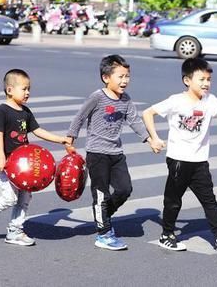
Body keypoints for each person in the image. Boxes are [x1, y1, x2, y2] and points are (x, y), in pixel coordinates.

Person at [142, 58, 217, 254]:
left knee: (209, 201)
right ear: (187, 80)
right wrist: (154, 138)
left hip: (199, 162)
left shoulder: (210, 101)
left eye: (208, 79)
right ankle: (167, 234)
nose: (206, 83)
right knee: (173, 200)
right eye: (202, 79)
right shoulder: (176, 101)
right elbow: (148, 113)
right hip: (179, 160)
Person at [0, 69, 72, 246]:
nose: (28, 93)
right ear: (10, 90)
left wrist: (60, 139)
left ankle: (15, 231)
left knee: (25, 198)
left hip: (25, 167)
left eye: (29, 89)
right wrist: (1, 158)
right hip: (6, 164)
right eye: (24, 89)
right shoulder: (2, 111)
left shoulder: (25, 112)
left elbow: (38, 131)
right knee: (10, 198)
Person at [66, 55, 158, 251]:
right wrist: (71, 137)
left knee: (125, 189)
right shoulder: (97, 97)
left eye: (127, 76)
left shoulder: (126, 100)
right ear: (106, 78)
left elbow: (134, 120)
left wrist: (149, 139)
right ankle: (104, 234)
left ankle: (103, 215)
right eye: (120, 76)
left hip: (116, 153)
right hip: (97, 153)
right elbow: (81, 116)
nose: (125, 81)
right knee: (101, 194)